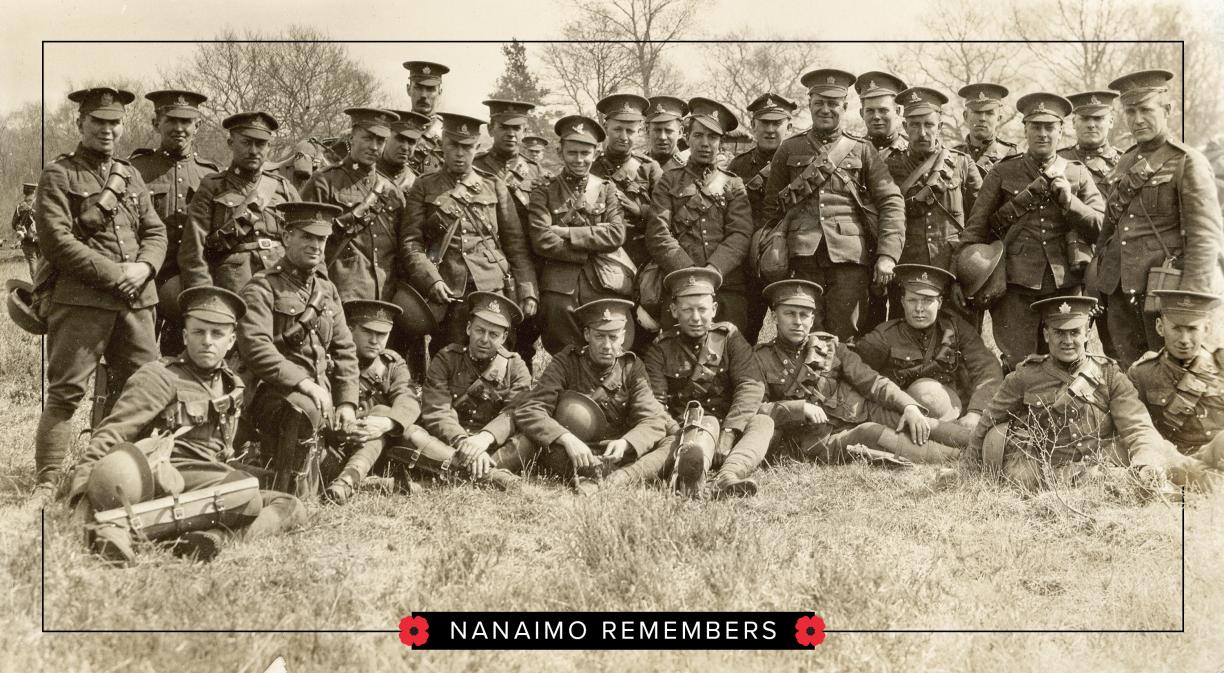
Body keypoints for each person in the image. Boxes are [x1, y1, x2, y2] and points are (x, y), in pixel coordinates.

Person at [65, 286, 306, 566]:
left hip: (211, 476)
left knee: (290, 506)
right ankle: (121, 529)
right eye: (198, 332)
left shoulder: (231, 383)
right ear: (184, 335)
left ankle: (209, 539)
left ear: (231, 341)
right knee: (246, 495)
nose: (207, 341)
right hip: (166, 475)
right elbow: (111, 433)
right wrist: (81, 497)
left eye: (217, 334)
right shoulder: (160, 377)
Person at [32, 87, 167, 503]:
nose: (108, 131)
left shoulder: (132, 174)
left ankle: (141, 470)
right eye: (99, 122)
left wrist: (144, 268)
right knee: (66, 393)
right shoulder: (59, 175)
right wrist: (116, 275)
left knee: (146, 388)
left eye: (115, 123)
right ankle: (48, 481)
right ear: (81, 124)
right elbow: (56, 242)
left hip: (137, 303)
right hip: (82, 303)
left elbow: (155, 231)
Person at [969, 295, 1207, 491]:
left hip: (1106, 460)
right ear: (1046, 334)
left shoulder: (1109, 374)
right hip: (1058, 473)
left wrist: (1145, 461)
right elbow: (988, 420)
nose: (1068, 340)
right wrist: (969, 466)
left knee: (1166, 457)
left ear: (1087, 334)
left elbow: (1137, 426)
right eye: (1060, 332)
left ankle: (1201, 477)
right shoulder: (1023, 378)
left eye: (1075, 332)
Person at [960, 93, 1104, 371]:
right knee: (1018, 364)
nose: (1042, 134)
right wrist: (962, 277)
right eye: (1035, 127)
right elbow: (976, 229)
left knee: (1067, 362)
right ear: (1024, 129)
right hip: (1015, 286)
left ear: (1061, 130)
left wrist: (1070, 202)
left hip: (1064, 286)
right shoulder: (1002, 172)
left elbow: (1101, 227)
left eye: (1049, 127)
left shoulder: (1077, 173)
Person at [761, 68, 905, 341]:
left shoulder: (862, 149)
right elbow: (771, 210)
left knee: (846, 336)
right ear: (809, 105)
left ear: (846, 107)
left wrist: (887, 255)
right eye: (819, 103)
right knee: (803, 335)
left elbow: (891, 202)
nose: (826, 110)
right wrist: (773, 254)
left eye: (833, 104)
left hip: (850, 260)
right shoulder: (790, 149)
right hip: (801, 258)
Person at [1092, 69, 1223, 369]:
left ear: (1167, 110)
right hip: (1120, 292)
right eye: (1130, 111)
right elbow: (1110, 229)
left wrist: (1188, 309)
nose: (1137, 119)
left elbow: (1205, 239)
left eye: (1146, 110)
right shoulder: (1125, 161)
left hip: (1164, 294)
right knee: (1128, 375)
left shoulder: (1187, 162)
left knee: (1173, 377)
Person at [754, 279, 954, 464]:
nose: (798, 321)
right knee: (870, 433)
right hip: (820, 438)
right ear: (774, 317)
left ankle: (976, 441)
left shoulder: (830, 346)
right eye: (789, 313)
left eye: (804, 314)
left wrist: (908, 406)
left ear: (812, 317)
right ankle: (959, 457)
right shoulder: (760, 358)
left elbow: (871, 381)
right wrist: (799, 408)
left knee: (916, 421)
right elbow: (756, 410)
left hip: (861, 411)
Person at [237, 201, 360, 501]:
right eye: (307, 236)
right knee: (302, 409)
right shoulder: (262, 287)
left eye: (322, 239)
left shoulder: (327, 291)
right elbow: (256, 347)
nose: (316, 246)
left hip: (323, 395)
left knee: (374, 422)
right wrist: (303, 383)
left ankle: (346, 478)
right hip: (273, 394)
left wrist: (347, 402)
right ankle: (290, 494)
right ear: (286, 236)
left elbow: (345, 349)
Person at [402, 112, 539, 352]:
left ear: (477, 147)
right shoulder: (424, 185)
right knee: (448, 357)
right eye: (453, 145)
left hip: (492, 285)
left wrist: (528, 291)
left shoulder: (493, 185)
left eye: (467, 147)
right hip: (448, 288)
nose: (459, 153)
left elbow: (515, 245)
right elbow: (411, 243)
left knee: (495, 356)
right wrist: (430, 279)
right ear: (442, 143)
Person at [513, 298, 673, 494]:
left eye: (613, 337)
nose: (607, 345)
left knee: (671, 443)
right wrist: (565, 438)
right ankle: (614, 477)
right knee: (540, 445)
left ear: (623, 337)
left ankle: (621, 477)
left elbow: (653, 419)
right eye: (600, 336)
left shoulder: (632, 367)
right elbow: (531, 409)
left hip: (616, 453)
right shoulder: (566, 361)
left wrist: (626, 443)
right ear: (587, 334)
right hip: (571, 452)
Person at [639, 267, 774, 498]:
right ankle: (692, 478)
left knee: (763, 422)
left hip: (729, 424)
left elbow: (750, 385)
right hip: (687, 430)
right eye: (687, 310)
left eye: (702, 309)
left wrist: (731, 430)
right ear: (673, 310)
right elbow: (656, 404)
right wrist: (679, 431)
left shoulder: (729, 337)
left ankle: (728, 476)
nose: (696, 317)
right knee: (699, 436)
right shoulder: (660, 349)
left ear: (713, 310)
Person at [853, 264, 1003, 437]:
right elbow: (856, 370)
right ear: (902, 302)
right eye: (912, 300)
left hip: (956, 416)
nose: (919, 309)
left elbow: (987, 369)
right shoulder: (884, 336)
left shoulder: (956, 328)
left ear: (939, 303)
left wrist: (976, 412)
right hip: (905, 420)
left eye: (927, 300)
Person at [527, 114, 632, 353]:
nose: (579, 160)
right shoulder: (544, 190)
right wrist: (593, 243)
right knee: (564, 348)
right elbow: (542, 240)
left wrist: (566, 232)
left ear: (595, 153)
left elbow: (616, 234)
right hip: (559, 284)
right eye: (572, 152)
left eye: (585, 154)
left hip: (602, 281)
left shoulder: (606, 189)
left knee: (608, 344)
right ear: (560, 152)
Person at [647, 97, 753, 332]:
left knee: (730, 355)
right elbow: (658, 233)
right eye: (699, 135)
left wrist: (713, 272)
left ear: (721, 142)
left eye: (712, 137)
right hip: (680, 284)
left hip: (725, 286)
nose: (705, 143)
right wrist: (688, 273)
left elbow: (740, 234)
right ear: (687, 137)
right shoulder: (668, 181)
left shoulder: (733, 185)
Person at [411, 291, 534, 491]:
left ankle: (454, 473)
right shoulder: (446, 358)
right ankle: (490, 476)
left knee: (529, 440)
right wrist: (464, 442)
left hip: (492, 446)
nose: (484, 339)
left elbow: (515, 411)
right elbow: (437, 410)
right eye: (479, 330)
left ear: (504, 338)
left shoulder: (515, 365)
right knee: (412, 433)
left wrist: (484, 438)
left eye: (493, 334)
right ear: (469, 329)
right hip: (450, 443)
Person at [129, 89, 220, 355]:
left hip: (191, 281)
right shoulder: (136, 169)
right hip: (145, 279)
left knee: (186, 359)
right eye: (171, 120)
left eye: (187, 122)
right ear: (156, 123)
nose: (179, 128)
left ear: (198, 126)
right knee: (134, 360)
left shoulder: (210, 174)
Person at [179, 111, 299, 295]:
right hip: (234, 284)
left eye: (260, 144)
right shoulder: (213, 187)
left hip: (282, 280)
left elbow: (307, 236)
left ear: (269, 147)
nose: (253, 151)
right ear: (230, 143)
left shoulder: (284, 188)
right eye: (246, 142)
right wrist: (204, 296)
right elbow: (193, 250)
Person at [301, 107, 407, 304]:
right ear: (352, 137)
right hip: (340, 293)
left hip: (384, 294)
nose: (374, 146)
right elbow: (306, 240)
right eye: (368, 138)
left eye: (381, 140)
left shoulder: (393, 192)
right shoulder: (324, 181)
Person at [324, 299, 421, 504]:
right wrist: (344, 428)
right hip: (333, 446)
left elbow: (408, 399)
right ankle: (364, 482)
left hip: (375, 449)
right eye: (368, 332)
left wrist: (386, 423)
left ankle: (348, 482)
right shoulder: (330, 362)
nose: (375, 341)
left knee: (384, 414)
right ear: (349, 329)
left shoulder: (391, 364)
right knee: (380, 412)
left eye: (382, 334)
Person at [475, 99, 548, 366]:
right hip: (489, 261)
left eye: (518, 128)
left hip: (530, 262)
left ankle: (520, 384)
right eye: (504, 127)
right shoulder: (476, 167)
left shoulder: (536, 171)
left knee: (526, 333)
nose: (511, 134)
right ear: (491, 128)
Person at [727, 92, 798, 343]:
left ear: (789, 126)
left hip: (791, 259)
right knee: (745, 332)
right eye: (764, 123)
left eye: (776, 123)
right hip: (750, 263)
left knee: (795, 332)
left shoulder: (801, 163)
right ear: (753, 125)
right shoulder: (737, 167)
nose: (770, 130)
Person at [1126, 290, 1224, 469]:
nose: (1184, 339)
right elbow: (1135, 427)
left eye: (1192, 329)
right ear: (1160, 327)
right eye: (1176, 328)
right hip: (1173, 461)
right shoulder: (1142, 374)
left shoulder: (1221, 368)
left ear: (1207, 328)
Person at [952, 83, 1020, 173]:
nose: (982, 118)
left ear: (999, 118)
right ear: (965, 116)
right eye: (976, 112)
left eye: (989, 113)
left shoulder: (1011, 156)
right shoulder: (953, 155)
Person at [402, 60, 449, 176]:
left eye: (430, 89)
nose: (423, 95)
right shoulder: (394, 128)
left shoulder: (448, 134)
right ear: (408, 89)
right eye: (418, 87)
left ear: (440, 92)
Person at [378, 109, 431, 193]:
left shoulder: (416, 185)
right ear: (386, 137)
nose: (405, 148)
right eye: (400, 139)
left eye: (411, 141)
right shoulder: (367, 171)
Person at [645, 95, 689, 170]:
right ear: (648, 132)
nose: (662, 137)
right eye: (657, 130)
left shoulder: (691, 167)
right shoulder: (638, 167)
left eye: (669, 131)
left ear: (680, 133)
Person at [10, 182, 39, 279]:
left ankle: (35, 284)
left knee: (32, 260)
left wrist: (20, 228)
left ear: (24, 192)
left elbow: (14, 224)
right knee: (43, 262)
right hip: (40, 238)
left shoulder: (20, 206)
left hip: (26, 238)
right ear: (34, 192)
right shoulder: (39, 204)